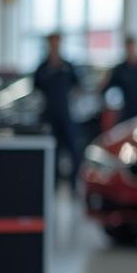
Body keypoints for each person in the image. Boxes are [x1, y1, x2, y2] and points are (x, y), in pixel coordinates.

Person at [33, 32, 82, 191]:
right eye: (52, 43)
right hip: (49, 115)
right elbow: (35, 89)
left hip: (66, 114)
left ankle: (74, 185)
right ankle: (50, 185)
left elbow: (78, 87)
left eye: (57, 43)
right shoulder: (42, 67)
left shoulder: (68, 66)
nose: (54, 46)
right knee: (51, 151)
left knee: (73, 150)